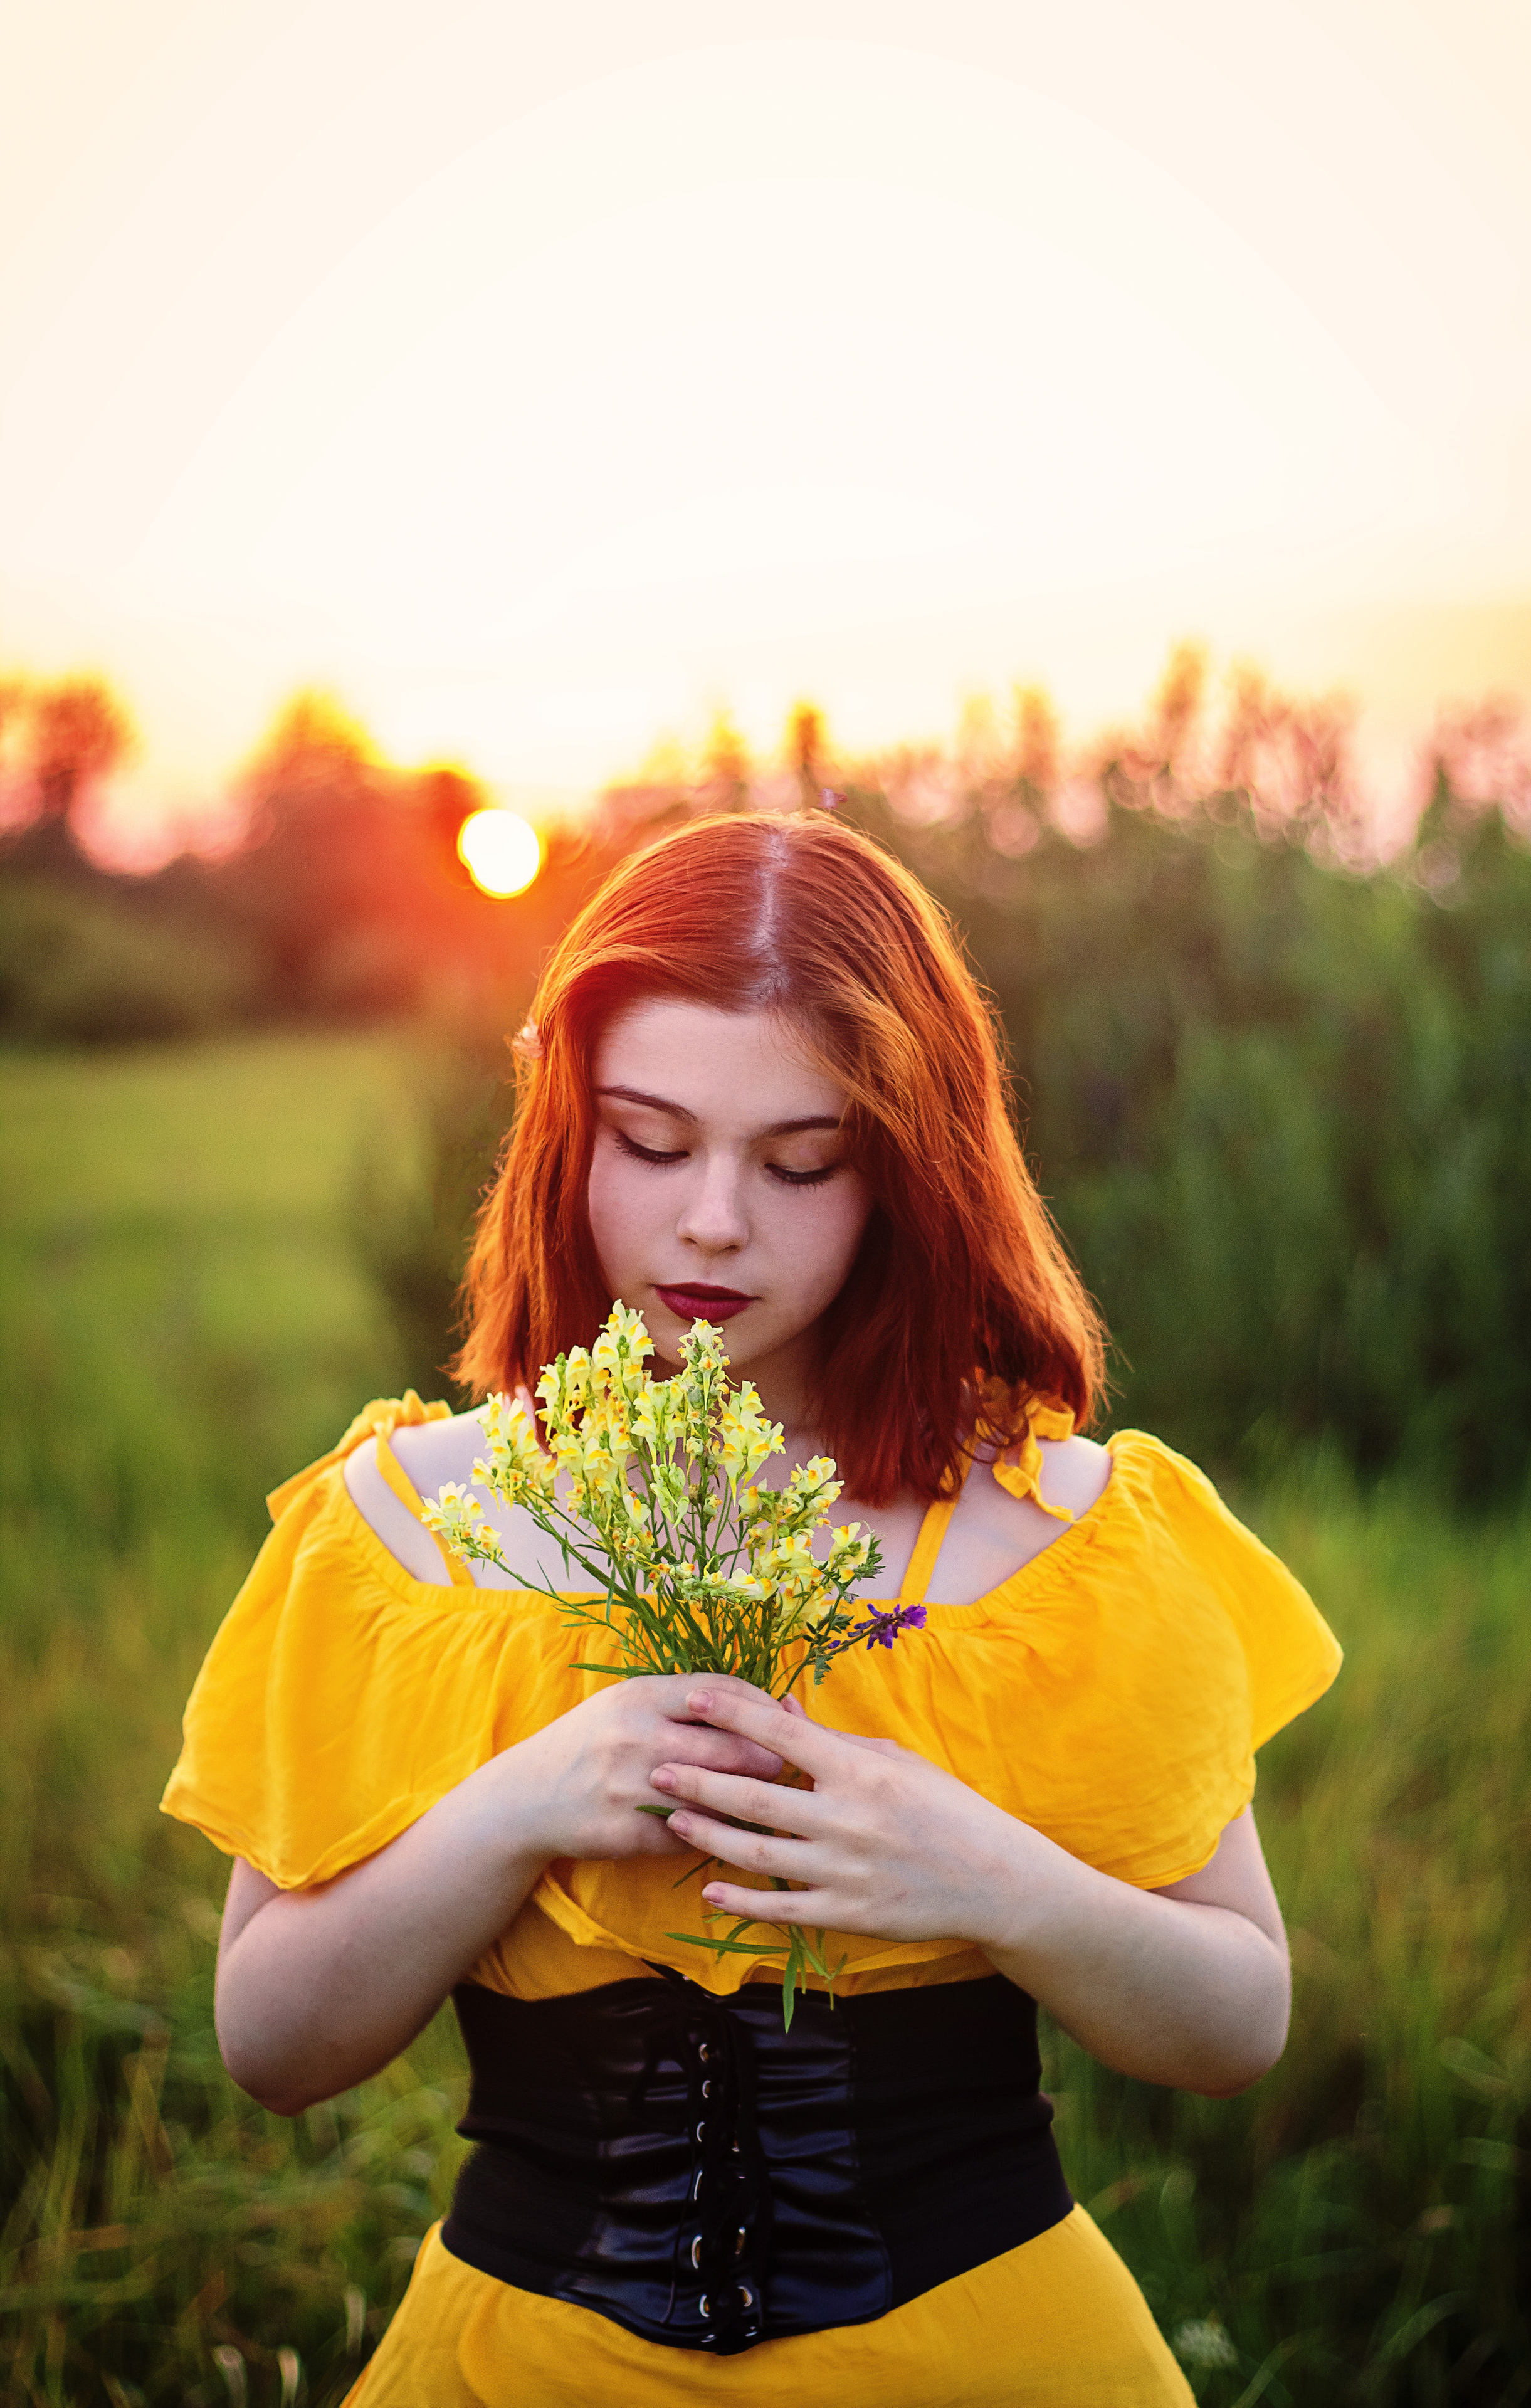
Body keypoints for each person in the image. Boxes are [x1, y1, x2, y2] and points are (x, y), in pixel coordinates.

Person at [162, 810, 1341, 2406]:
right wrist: (522, 1807)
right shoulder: (406, 1528)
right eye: (650, 1143)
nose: (711, 1220)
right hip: (517, 2361)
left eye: (798, 1163)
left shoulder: (1054, 1531)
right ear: (565, 1130)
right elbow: (270, 2045)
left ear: (907, 1175)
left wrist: (985, 1878)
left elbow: (1235, 2018)